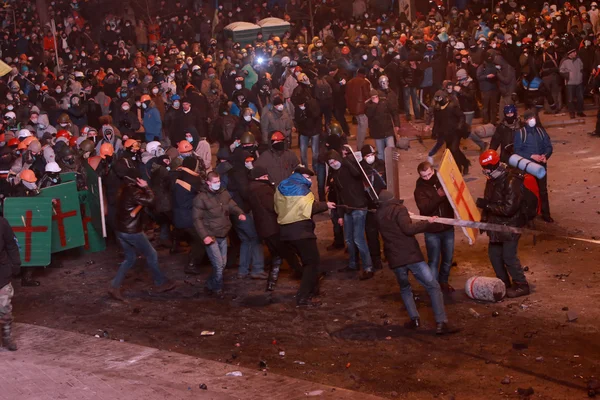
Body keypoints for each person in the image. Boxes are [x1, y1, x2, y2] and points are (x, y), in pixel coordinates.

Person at [376, 189, 457, 335]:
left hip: (395, 259)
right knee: (433, 286)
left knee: (405, 288)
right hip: (411, 256)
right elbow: (408, 229)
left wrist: (407, 216)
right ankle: (441, 323)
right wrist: (427, 222)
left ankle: (415, 319)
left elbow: (394, 227)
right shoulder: (399, 209)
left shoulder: (379, 215)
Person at [108, 170, 176, 301]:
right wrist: (146, 187)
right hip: (131, 231)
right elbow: (151, 200)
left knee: (130, 258)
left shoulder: (123, 190)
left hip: (121, 230)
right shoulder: (134, 192)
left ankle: (114, 286)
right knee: (152, 254)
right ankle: (160, 283)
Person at [274, 166, 336, 306]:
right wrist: (326, 205)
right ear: (302, 177)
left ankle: (314, 291)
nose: (310, 181)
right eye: (308, 178)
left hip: (285, 231)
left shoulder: (280, 187)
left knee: (306, 262)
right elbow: (310, 208)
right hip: (301, 232)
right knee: (312, 263)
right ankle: (303, 297)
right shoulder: (303, 191)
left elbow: (277, 208)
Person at [476, 150, 530, 298]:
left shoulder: (511, 181)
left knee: (509, 257)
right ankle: (504, 283)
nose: (484, 171)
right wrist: (484, 219)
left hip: (510, 225)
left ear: (493, 166)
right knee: (494, 255)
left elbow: (509, 209)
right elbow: (490, 198)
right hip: (496, 225)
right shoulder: (492, 179)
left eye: (485, 168)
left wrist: (486, 206)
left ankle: (521, 285)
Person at [247, 166, 301, 291]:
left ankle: (271, 283)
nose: (267, 178)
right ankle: (299, 272)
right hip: (272, 227)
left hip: (263, 227)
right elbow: (273, 206)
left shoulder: (252, 189)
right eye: (265, 176)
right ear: (259, 177)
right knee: (287, 251)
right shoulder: (263, 190)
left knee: (276, 254)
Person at [193, 171, 246, 296]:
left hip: (223, 233)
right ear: (208, 182)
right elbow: (197, 219)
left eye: (218, 181)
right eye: (215, 182)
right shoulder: (201, 198)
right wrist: (204, 236)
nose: (218, 184)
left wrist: (239, 213)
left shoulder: (223, 193)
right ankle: (217, 289)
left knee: (222, 264)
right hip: (211, 235)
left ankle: (210, 284)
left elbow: (231, 205)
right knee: (218, 265)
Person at [327, 149, 374, 280]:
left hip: (358, 207)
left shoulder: (349, 167)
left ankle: (368, 267)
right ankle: (353, 263)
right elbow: (339, 195)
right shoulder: (335, 175)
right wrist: (341, 215)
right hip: (347, 209)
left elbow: (358, 173)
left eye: (335, 160)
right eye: (331, 162)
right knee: (349, 239)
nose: (334, 163)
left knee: (358, 239)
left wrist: (346, 161)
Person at [414, 161, 456, 293]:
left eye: (429, 174)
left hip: (448, 227)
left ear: (433, 170)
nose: (427, 177)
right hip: (432, 231)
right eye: (424, 176)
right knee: (434, 260)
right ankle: (433, 287)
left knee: (448, 259)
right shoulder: (419, 189)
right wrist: (438, 195)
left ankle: (443, 282)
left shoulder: (442, 179)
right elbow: (425, 208)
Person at [513, 110, 554, 223]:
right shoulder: (520, 134)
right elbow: (517, 151)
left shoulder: (541, 131)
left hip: (541, 166)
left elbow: (548, 146)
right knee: (527, 191)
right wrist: (531, 156)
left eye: (534, 117)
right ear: (525, 120)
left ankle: (546, 213)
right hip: (528, 167)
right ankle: (528, 214)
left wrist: (545, 156)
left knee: (543, 191)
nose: (533, 120)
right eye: (530, 118)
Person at [359, 145, 386, 271]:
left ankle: (389, 254)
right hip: (369, 206)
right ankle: (376, 259)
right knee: (371, 234)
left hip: (382, 204)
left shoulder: (382, 164)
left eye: (372, 155)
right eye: (367, 156)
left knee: (386, 231)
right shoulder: (360, 168)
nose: (370, 158)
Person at [0, 216, 21, 351]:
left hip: (1, 272)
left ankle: (6, 337)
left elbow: (11, 245)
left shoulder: (2, 223)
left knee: (4, 308)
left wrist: (16, 264)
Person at [365, 89, 399, 161]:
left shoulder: (385, 102)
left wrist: (397, 124)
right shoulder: (368, 105)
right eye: (373, 97)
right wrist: (374, 104)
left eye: (376, 97)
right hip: (377, 133)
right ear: (371, 98)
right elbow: (368, 114)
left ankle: (392, 167)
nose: (375, 99)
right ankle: (382, 166)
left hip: (388, 130)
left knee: (391, 150)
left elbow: (394, 112)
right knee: (381, 152)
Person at [345, 67, 371, 150]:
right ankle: (360, 146)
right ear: (364, 74)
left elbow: (347, 96)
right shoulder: (365, 82)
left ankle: (359, 145)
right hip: (362, 109)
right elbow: (367, 97)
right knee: (363, 127)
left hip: (353, 109)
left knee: (360, 126)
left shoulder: (349, 82)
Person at [559, 48, 586, 119]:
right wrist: (568, 76)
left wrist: (580, 74)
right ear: (570, 53)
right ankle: (572, 113)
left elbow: (582, 67)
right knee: (570, 99)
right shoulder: (564, 61)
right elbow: (561, 71)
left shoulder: (578, 59)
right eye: (574, 52)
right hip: (570, 83)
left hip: (579, 82)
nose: (575, 54)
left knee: (580, 98)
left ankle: (580, 112)